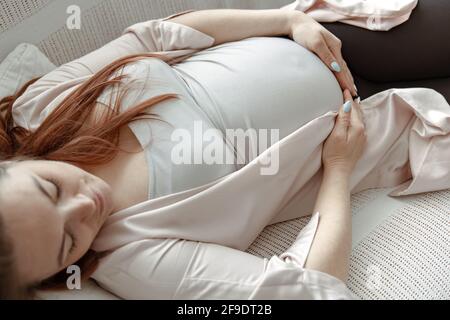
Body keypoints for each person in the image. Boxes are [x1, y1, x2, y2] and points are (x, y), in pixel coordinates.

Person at [0, 8, 371, 299]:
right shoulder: (132, 257)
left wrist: (289, 20)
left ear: (13, 162)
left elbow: (156, 35)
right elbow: (308, 290)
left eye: (51, 189)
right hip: (368, 122)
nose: (86, 204)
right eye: (68, 242)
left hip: (315, 37)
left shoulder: (39, 107)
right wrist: (339, 167)